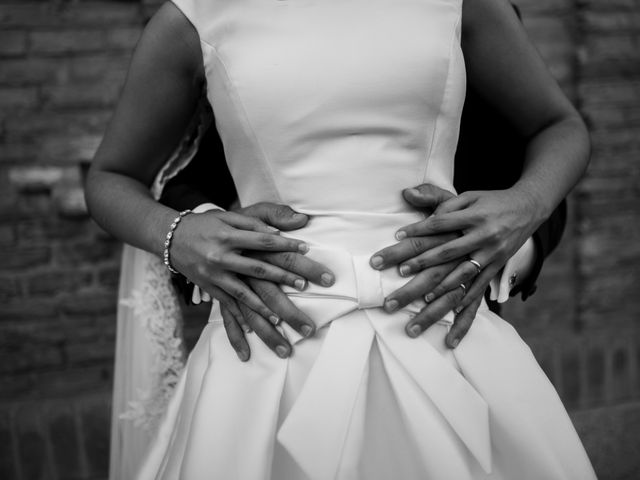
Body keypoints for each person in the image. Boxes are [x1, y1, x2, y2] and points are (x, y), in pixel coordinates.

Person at [86, 0, 596, 477]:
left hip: (442, 321)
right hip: (270, 345)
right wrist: (177, 234)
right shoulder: (197, 15)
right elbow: (111, 176)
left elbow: (560, 125)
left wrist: (525, 206)